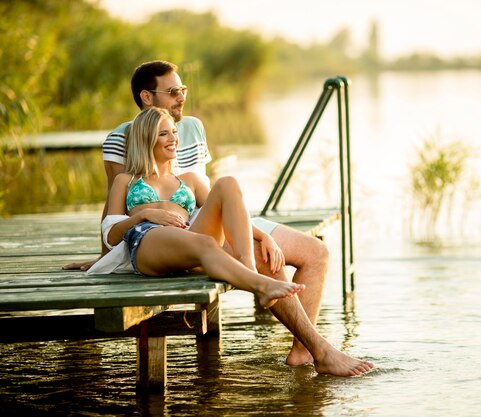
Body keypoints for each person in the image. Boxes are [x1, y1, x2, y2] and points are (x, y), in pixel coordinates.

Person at [62, 60, 332, 367]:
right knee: (265, 260)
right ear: (146, 97)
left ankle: (303, 350)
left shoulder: (192, 127)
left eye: (183, 89)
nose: (181, 97)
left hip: (217, 218)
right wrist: (107, 255)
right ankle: (315, 347)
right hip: (168, 235)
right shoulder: (124, 138)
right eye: (173, 91)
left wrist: (256, 231)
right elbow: (115, 204)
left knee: (317, 252)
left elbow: (211, 193)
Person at [94, 106, 373, 376]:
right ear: (146, 139)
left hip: (190, 240)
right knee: (206, 246)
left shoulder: (188, 179)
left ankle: (249, 268)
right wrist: (146, 215)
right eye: (164, 134)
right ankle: (263, 287)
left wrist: (263, 236)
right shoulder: (126, 180)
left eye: (173, 132)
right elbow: (110, 232)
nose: (173, 139)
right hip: (148, 241)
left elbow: (231, 208)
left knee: (227, 183)